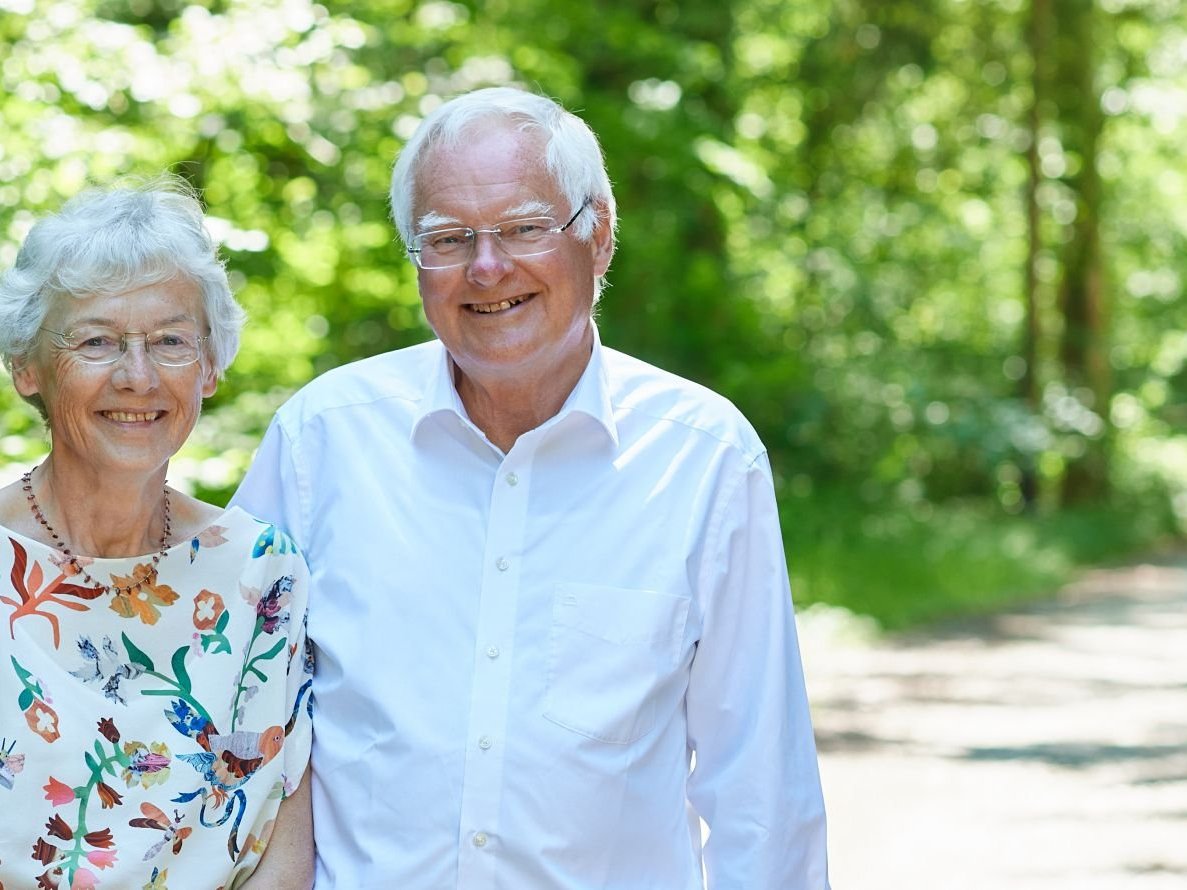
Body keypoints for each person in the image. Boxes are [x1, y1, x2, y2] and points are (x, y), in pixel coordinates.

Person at [233, 86, 829, 888]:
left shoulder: (703, 457)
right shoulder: (321, 439)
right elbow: (233, 715)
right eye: (448, 238)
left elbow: (758, 783)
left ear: (600, 235)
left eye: (523, 228)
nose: (487, 268)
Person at [0, 178, 314, 890]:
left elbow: (283, 849)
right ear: (27, 367)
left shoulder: (263, 574)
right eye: (97, 341)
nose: (137, 377)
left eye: (171, 341)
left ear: (208, 368)